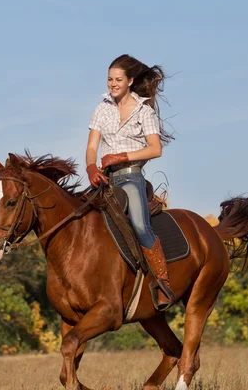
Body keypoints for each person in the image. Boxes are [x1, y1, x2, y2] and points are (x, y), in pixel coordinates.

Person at [85, 54, 175, 310]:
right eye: (109, 79)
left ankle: (162, 283)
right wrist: (91, 166)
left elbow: (155, 149)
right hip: (106, 177)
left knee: (139, 224)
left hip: (131, 177)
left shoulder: (144, 112)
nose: (112, 84)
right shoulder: (102, 109)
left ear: (130, 81)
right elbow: (92, 146)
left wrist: (122, 155)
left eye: (118, 80)